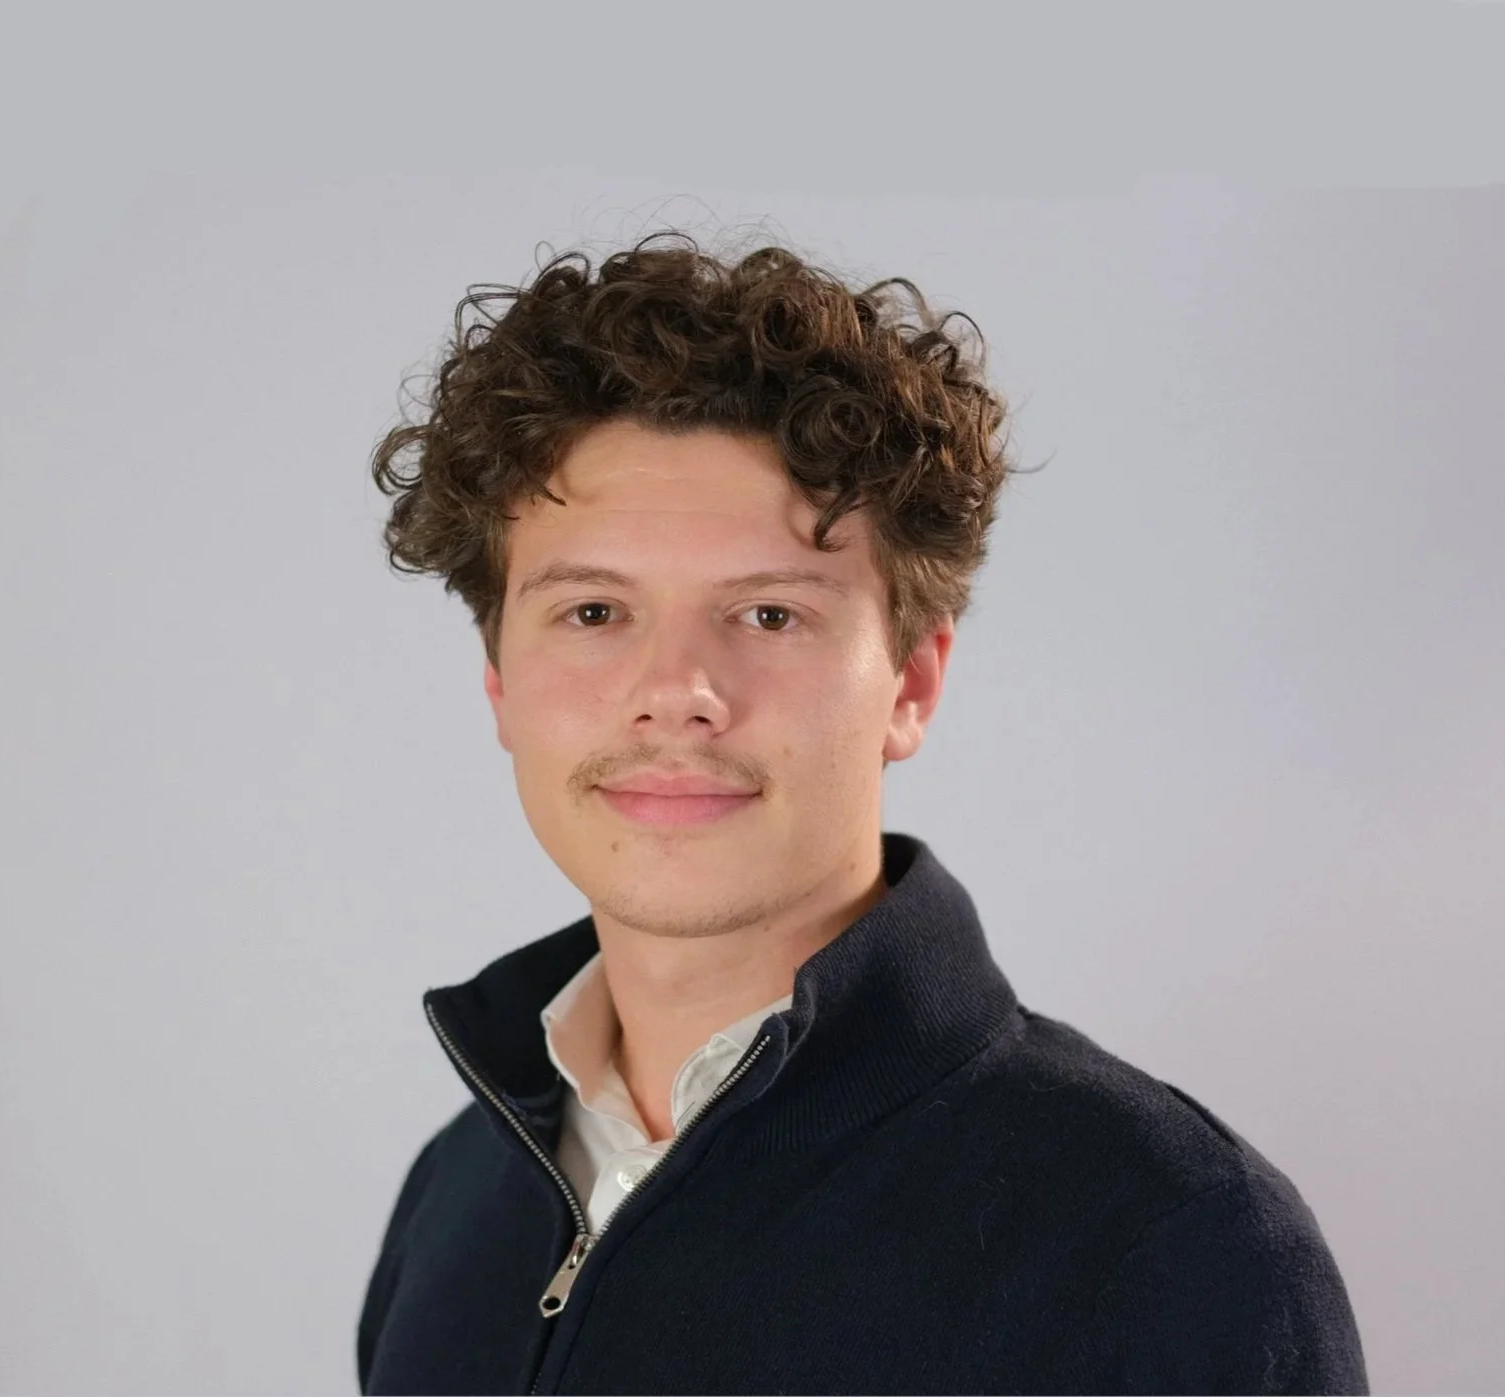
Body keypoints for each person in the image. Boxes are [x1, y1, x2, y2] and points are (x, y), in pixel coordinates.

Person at [355, 231, 1369, 1394]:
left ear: (912, 682)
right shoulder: (458, 1195)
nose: (676, 691)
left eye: (770, 615)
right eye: (592, 612)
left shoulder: (1164, 1239)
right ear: (499, 684)